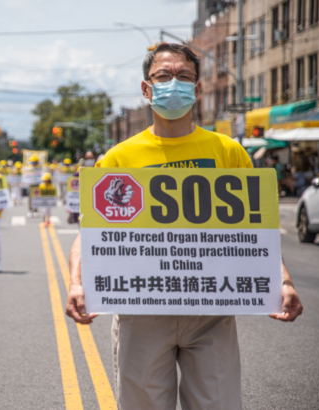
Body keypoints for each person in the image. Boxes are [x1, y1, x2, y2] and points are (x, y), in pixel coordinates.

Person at [64, 44, 303, 410]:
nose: (173, 84)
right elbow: (91, 234)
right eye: (163, 76)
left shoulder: (228, 153)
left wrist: (282, 281)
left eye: (184, 77)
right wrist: (77, 283)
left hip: (210, 310)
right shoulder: (118, 159)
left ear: (198, 88)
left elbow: (259, 234)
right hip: (141, 308)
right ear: (146, 89)